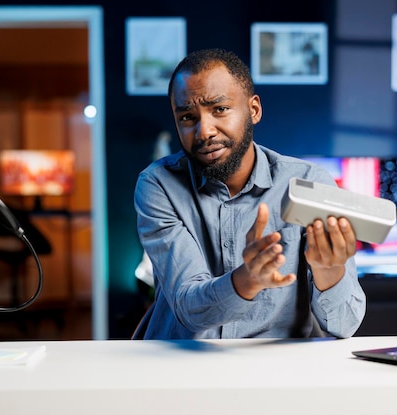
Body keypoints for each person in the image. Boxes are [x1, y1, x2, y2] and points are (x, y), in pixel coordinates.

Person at [134, 48, 365, 339]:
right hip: (186, 369)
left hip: (276, 372)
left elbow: (345, 326)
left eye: (219, 109)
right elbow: (190, 308)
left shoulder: (309, 183)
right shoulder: (159, 185)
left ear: (253, 110)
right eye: (188, 117)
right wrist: (248, 280)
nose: (204, 131)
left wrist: (330, 271)